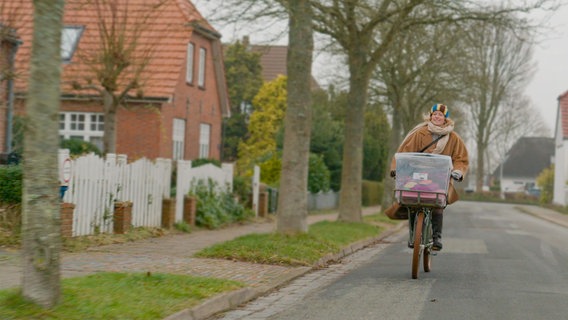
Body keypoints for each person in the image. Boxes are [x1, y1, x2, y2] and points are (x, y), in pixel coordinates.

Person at [387, 103, 469, 251]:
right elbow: (404, 152)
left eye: (441, 115)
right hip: (416, 175)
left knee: (438, 205)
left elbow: (460, 159)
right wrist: (396, 168)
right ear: (430, 116)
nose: (437, 117)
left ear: (446, 118)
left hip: (439, 178)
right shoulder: (419, 133)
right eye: (435, 114)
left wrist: (458, 171)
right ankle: (414, 235)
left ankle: (437, 237)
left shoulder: (454, 138)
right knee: (412, 203)